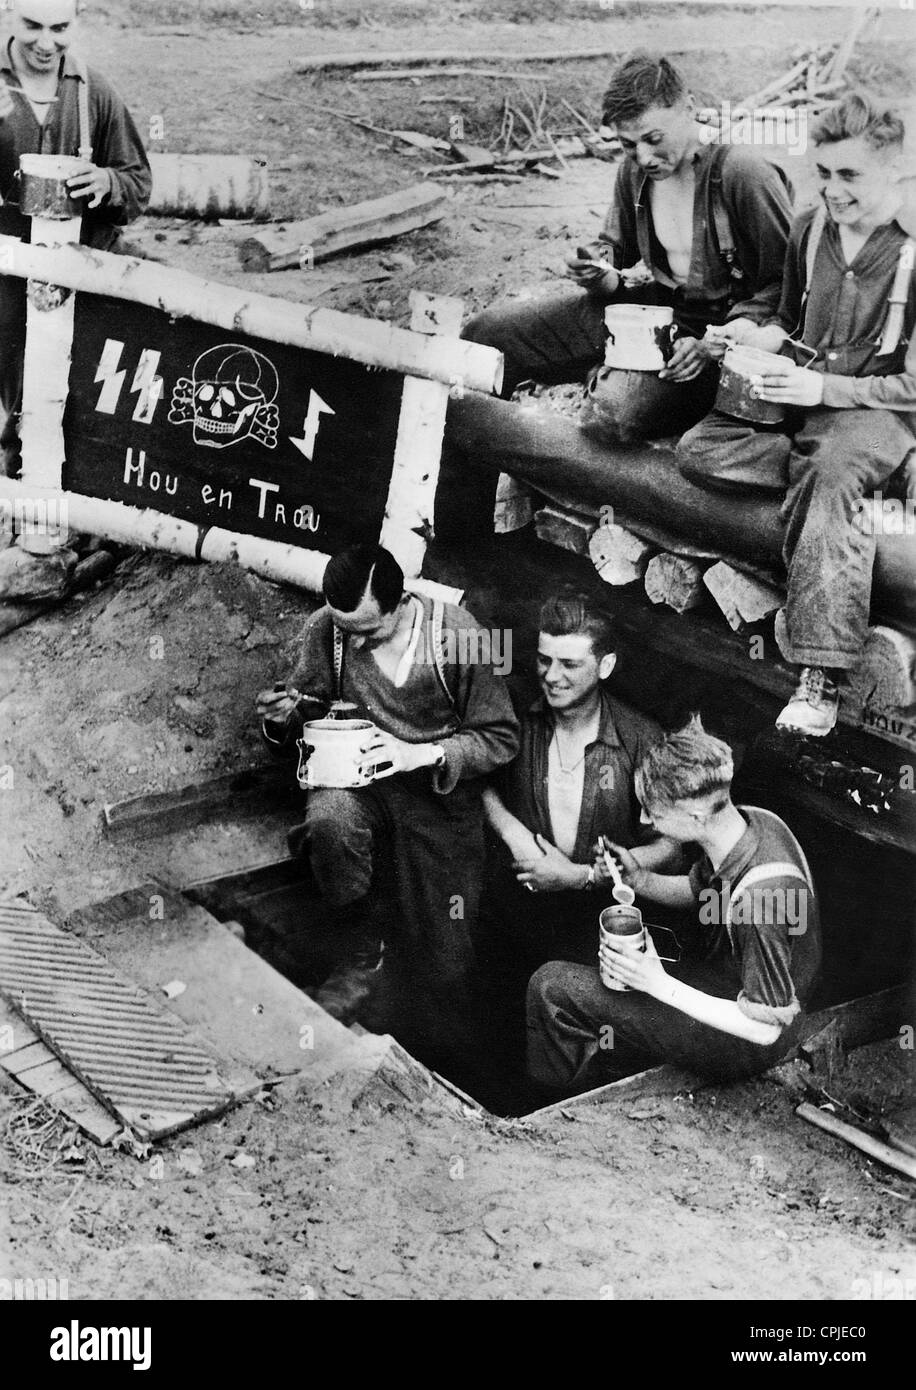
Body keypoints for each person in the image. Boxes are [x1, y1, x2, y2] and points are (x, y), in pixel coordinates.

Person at [677, 93, 916, 736]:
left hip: (875, 413)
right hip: (803, 403)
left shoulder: (913, 252)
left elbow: (913, 387)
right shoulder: (810, 228)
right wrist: (761, 338)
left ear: (897, 173)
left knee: (834, 465)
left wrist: (822, 392)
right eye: (826, 173)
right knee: (700, 450)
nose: (834, 190)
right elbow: (787, 318)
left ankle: (821, 678)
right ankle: (847, 497)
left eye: (851, 176)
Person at [255, 544, 519, 1046]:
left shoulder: (458, 636)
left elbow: (501, 738)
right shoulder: (328, 630)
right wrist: (280, 719)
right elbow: (305, 714)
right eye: (345, 631)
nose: (352, 644)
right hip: (360, 787)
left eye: (368, 632)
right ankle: (360, 957)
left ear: (402, 603)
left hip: (438, 801)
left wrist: (424, 753)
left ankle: (449, 1048)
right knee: (330, 820)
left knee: (447, 951)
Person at [462, 51, 792, 442]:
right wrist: (593, 267)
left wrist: (714, 344)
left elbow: (787, 286)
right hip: (655, 312)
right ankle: (461, 490)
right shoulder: (634, 170)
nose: (645, 157)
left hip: (724, 334)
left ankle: (637, 387)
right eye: (629, 144)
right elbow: (614, 257)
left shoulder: (742, 172)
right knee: (488, 336)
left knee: (612, 414)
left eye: (654, 139)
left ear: (688, 108)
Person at [526, 715, 821, 1097]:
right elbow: (702, 892)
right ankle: (611, 1057)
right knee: (579, 948)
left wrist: (658, 984)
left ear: (695, 814)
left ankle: (553, 1107)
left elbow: (764, 1030)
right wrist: (639, 879)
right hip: (723, 978)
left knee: (551, 986)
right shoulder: (750, 824)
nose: (647, 819)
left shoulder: (760, 903)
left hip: (741, 1038)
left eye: (655, 811)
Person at [480, 592, 677, 997]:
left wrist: (584, 877)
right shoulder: (517, 717)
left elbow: (672, 843)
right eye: (544, 659)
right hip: (518, 910)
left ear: (605, 666)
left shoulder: (641, 739)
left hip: (599, 922)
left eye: (570, 663)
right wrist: (513, 831)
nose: (552, 676)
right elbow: (478, 780)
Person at [0, 0, 151, 476]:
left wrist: (107, 183)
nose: (46, 43)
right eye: (32, 26)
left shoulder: (93, 92)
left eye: (59, 28)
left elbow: (137, 182)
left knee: (92, 372)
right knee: (16, 385)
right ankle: (17, 490)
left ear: (77, 22)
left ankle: (91, 486)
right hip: (6, 267)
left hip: (79, 260)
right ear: (7, 15)